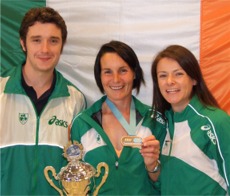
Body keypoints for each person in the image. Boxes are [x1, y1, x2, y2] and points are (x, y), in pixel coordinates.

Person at [0, 7, 86, 195]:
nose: (45, 49)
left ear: (62, 45)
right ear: (23, 43)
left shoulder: (75, 99)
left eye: (53, 41)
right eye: (36, 40)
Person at [70, 40, 165, 195]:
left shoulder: (155, 121)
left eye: (123, 70)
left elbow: (166, 184)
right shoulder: (82, 123)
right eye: (107, 71)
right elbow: (75, 185)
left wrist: (153, 166)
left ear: (134, 72)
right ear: (99, 76)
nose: (116, 79)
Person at [151, 44, 230, 195]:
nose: (169, 81)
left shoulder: (216, 121)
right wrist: (151, 166)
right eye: (162, 75)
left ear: (194, 79)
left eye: (178, 74)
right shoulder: (163, 124)